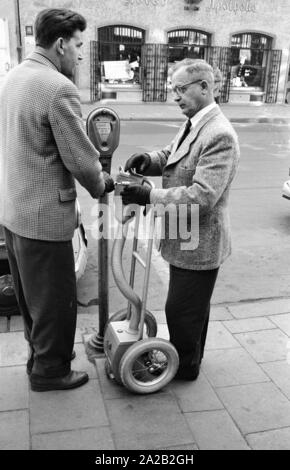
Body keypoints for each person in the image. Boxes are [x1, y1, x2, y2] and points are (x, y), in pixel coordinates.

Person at [0, 8, 115, 391]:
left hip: (14, 210)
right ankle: (51, 372)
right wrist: (103, 185)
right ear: (61, 43)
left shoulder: (14, 76)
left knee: (31, 298)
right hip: (44, 216)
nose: (80, 55)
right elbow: (81, 158)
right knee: (54, 300)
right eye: (79, 45)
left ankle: (39, 357)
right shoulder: (57, 87)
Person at [121, 59, 239, 380]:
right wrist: (149, 160)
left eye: (181, 89)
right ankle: (191, 359)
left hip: (200, 243)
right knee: (193, 307)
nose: (175, 96)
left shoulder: (219, 135)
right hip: (183, 237)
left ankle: (184, 367)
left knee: (181, 309)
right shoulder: (194, 123)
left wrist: (148, 196)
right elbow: (172, 155)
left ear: (204, 87)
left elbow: (201, 197)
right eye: (174, 90)